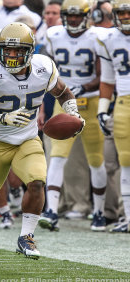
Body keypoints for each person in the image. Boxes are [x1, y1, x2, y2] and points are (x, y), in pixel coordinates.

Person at [0, 22, 84, 261]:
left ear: (30, 51)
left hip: (27, 139)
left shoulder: (44, 67)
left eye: (17, 50)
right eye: (6, 50)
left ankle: (26, 236)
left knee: (37, 181)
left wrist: (74, 114)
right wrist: (3, 118)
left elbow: (62, 92)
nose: (10, 55)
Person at [39, 0, 107, 232]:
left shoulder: (98, 36)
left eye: (78, 16)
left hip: (92, 101)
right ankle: (52, 211)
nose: (74, 20)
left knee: (96, 159)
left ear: (87, 16)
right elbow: (45, 70)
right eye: (70, 15)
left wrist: (84, 88)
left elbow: (104, 74)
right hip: (64, 100)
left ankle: (98, 212)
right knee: (57, 157)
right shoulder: (54, 35)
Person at [96, 0, 130, 233]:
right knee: (125, 160)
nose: (125, 16)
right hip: (124, 101)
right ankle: (128, 216)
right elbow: (107, 79)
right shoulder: (107, 39)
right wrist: (101, 108)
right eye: (121, 13)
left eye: (128, 12)